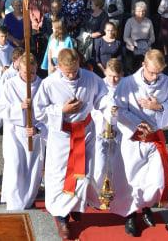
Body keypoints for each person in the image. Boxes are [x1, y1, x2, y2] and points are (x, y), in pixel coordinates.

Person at [34, 48, 107, 239]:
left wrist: (110, 108)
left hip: (85, 133)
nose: (73, 75)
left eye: (75, 70)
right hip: (62, 135)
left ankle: (76, 206)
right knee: (60, 176)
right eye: (68, 72)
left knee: (84, 173)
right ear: (59, 67)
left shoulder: (90, 78)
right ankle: (61, 217)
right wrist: (61, 110)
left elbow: (103, 97)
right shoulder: (50, 83)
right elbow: (38, 111)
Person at [113, 49, 168, 237]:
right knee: (133, 178)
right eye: (151, 72)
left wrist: (158, 106)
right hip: (134, 138)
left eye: (158, 72)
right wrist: (138, 124)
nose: (154, 77)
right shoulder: (128, 83)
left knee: (155, 179)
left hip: (154, 138)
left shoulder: (167, 83)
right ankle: (132, 214)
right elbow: (119, 108)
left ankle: (146, 207)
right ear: (143, 64)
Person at [0, 53, 46, 211]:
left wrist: (39, 128)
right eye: (25, 72)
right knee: (15, 167)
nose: (29, 76)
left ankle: (28, 199)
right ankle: (14, 205)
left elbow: (49, 113)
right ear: (19, 69)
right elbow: (1, 109)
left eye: (32, 72)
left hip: (34, 134)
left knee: (33, 170)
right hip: (15, 133)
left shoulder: (43, 85)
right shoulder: (10, 85)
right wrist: (20, 107)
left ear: (36, 68)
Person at [88, 59, 125, 211]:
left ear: (122, 74)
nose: (113, 80)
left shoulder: (126, 87)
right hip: (100, 130)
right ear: (105, 73)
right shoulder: (99, 85)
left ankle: (116, 194)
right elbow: (94, 108)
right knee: (100, 164)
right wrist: (103, 124)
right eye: (110, 76)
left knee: (117, 164)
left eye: (116, 76)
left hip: (120, 131)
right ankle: (96, 196)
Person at [122, 1, 155, 73]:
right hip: (133, 46)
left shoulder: (149, 21)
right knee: (132, 65)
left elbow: (152, 37)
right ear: (135, 11)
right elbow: (125, 37)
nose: (141, 13)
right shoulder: (129, 21)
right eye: (139, 11)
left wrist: (147, 44)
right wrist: (133, 44)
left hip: (145, 46)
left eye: (143, 11)